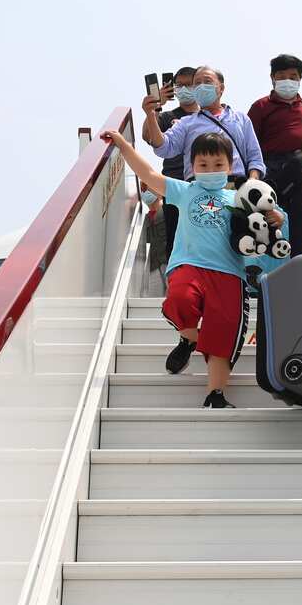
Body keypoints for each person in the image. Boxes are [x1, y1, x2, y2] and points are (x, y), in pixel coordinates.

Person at [102, 130, 268, 408]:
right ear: (192, 167)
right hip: (189, 265)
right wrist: (123, 145)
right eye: (203, 165)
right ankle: (189, 338)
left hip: (229, 275)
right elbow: (149, 175)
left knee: (223, 335)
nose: (211, 170)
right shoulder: (185, 190)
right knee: (180, 301)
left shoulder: (240, 199)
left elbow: (265, 222)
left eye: (218, 164)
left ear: (231, 165)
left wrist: (271, 216)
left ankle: (215, 394)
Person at [142, 65, 266, 185]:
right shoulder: (186, 123)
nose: (201, 86)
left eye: (207, 81)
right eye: (197, 83)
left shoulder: (241, 119)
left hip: (236, 186)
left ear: (221, 88)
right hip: (198, 189)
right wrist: (151, 114)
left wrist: (252, 181)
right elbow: (163, 147)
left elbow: (255, 157)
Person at [248, 53, 302, 257]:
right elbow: (250, 145)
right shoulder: (261, 106)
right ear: (272, 78)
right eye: (282, 76)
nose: (288, 81)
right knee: (268, 235)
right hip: (272, 176)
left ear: (300, 79)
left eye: (293, 76)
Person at [156, 66, 198, 258]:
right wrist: (156, 106)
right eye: (178, 85)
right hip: (173, 182)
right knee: (174, 233)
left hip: (202, 183)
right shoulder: (167, 117)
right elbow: (148, 136)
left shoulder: (209, 116)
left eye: (188, 85)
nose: (183, 89)